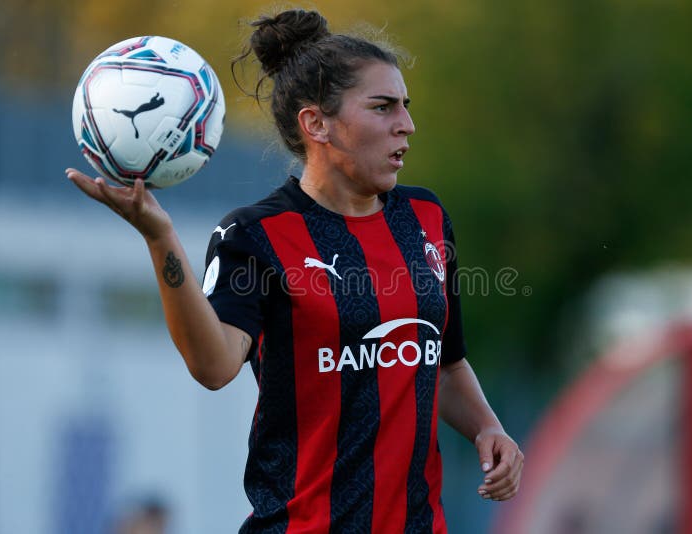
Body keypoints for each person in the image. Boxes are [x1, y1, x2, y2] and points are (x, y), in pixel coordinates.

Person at [67, 8, 524, 533]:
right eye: (383, 107)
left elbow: (442, 363)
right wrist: (159, 237)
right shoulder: (255, 236)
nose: (407, 123)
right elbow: (213, 367)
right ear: (316, 124)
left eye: (405, 106)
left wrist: (489, 428)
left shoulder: (426, 218)